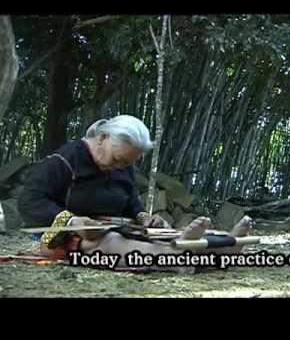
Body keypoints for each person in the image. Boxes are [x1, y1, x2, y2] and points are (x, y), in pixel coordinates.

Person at [18, 115, 252, 273]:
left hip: (117, 225)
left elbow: (129, 198)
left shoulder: (124, 163)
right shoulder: (65, 160)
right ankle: (172, 258)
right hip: (70, 237)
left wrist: (142, 216)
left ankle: (224, 246)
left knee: (160, 233)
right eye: (118, 160)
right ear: (102, 138)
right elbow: (29, 201)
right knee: (111, 242)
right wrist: (71, 221)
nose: (120, 167)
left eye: (127, 163)